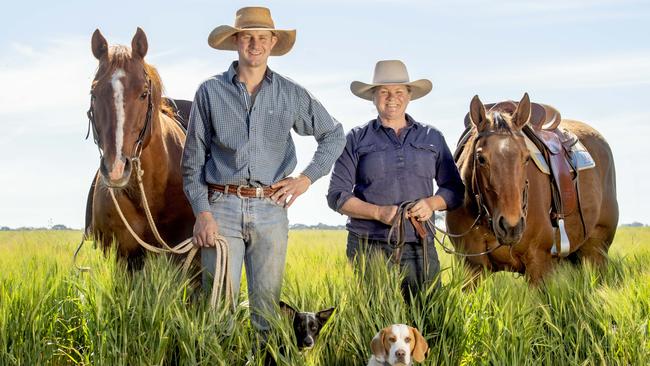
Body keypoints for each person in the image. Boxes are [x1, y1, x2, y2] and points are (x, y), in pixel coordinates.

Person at [181, 6, 345, 345]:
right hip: (221, 207)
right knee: (217, 310)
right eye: (247, 37)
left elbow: (334, 134)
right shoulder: (209, 92)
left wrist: (306, 179)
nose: (255, 44)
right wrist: (203, 213)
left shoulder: (291, 93)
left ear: (272, 43)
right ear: (236, 42)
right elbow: (192, 160)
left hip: (271, 208)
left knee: (267, 312)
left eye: (262, 37)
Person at [327, 60, 464, 296]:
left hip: (420, 245)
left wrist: (432, 204)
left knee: (428, 317)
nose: (392, 98)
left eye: (399, 91)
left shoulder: (432, 137)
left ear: (409, 96)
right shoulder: (356, 139)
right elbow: (337, 196)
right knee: (376, 320)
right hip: (368, 246)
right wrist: (378, 213)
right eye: (384, 92)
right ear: (373, 97)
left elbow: (454, 190)